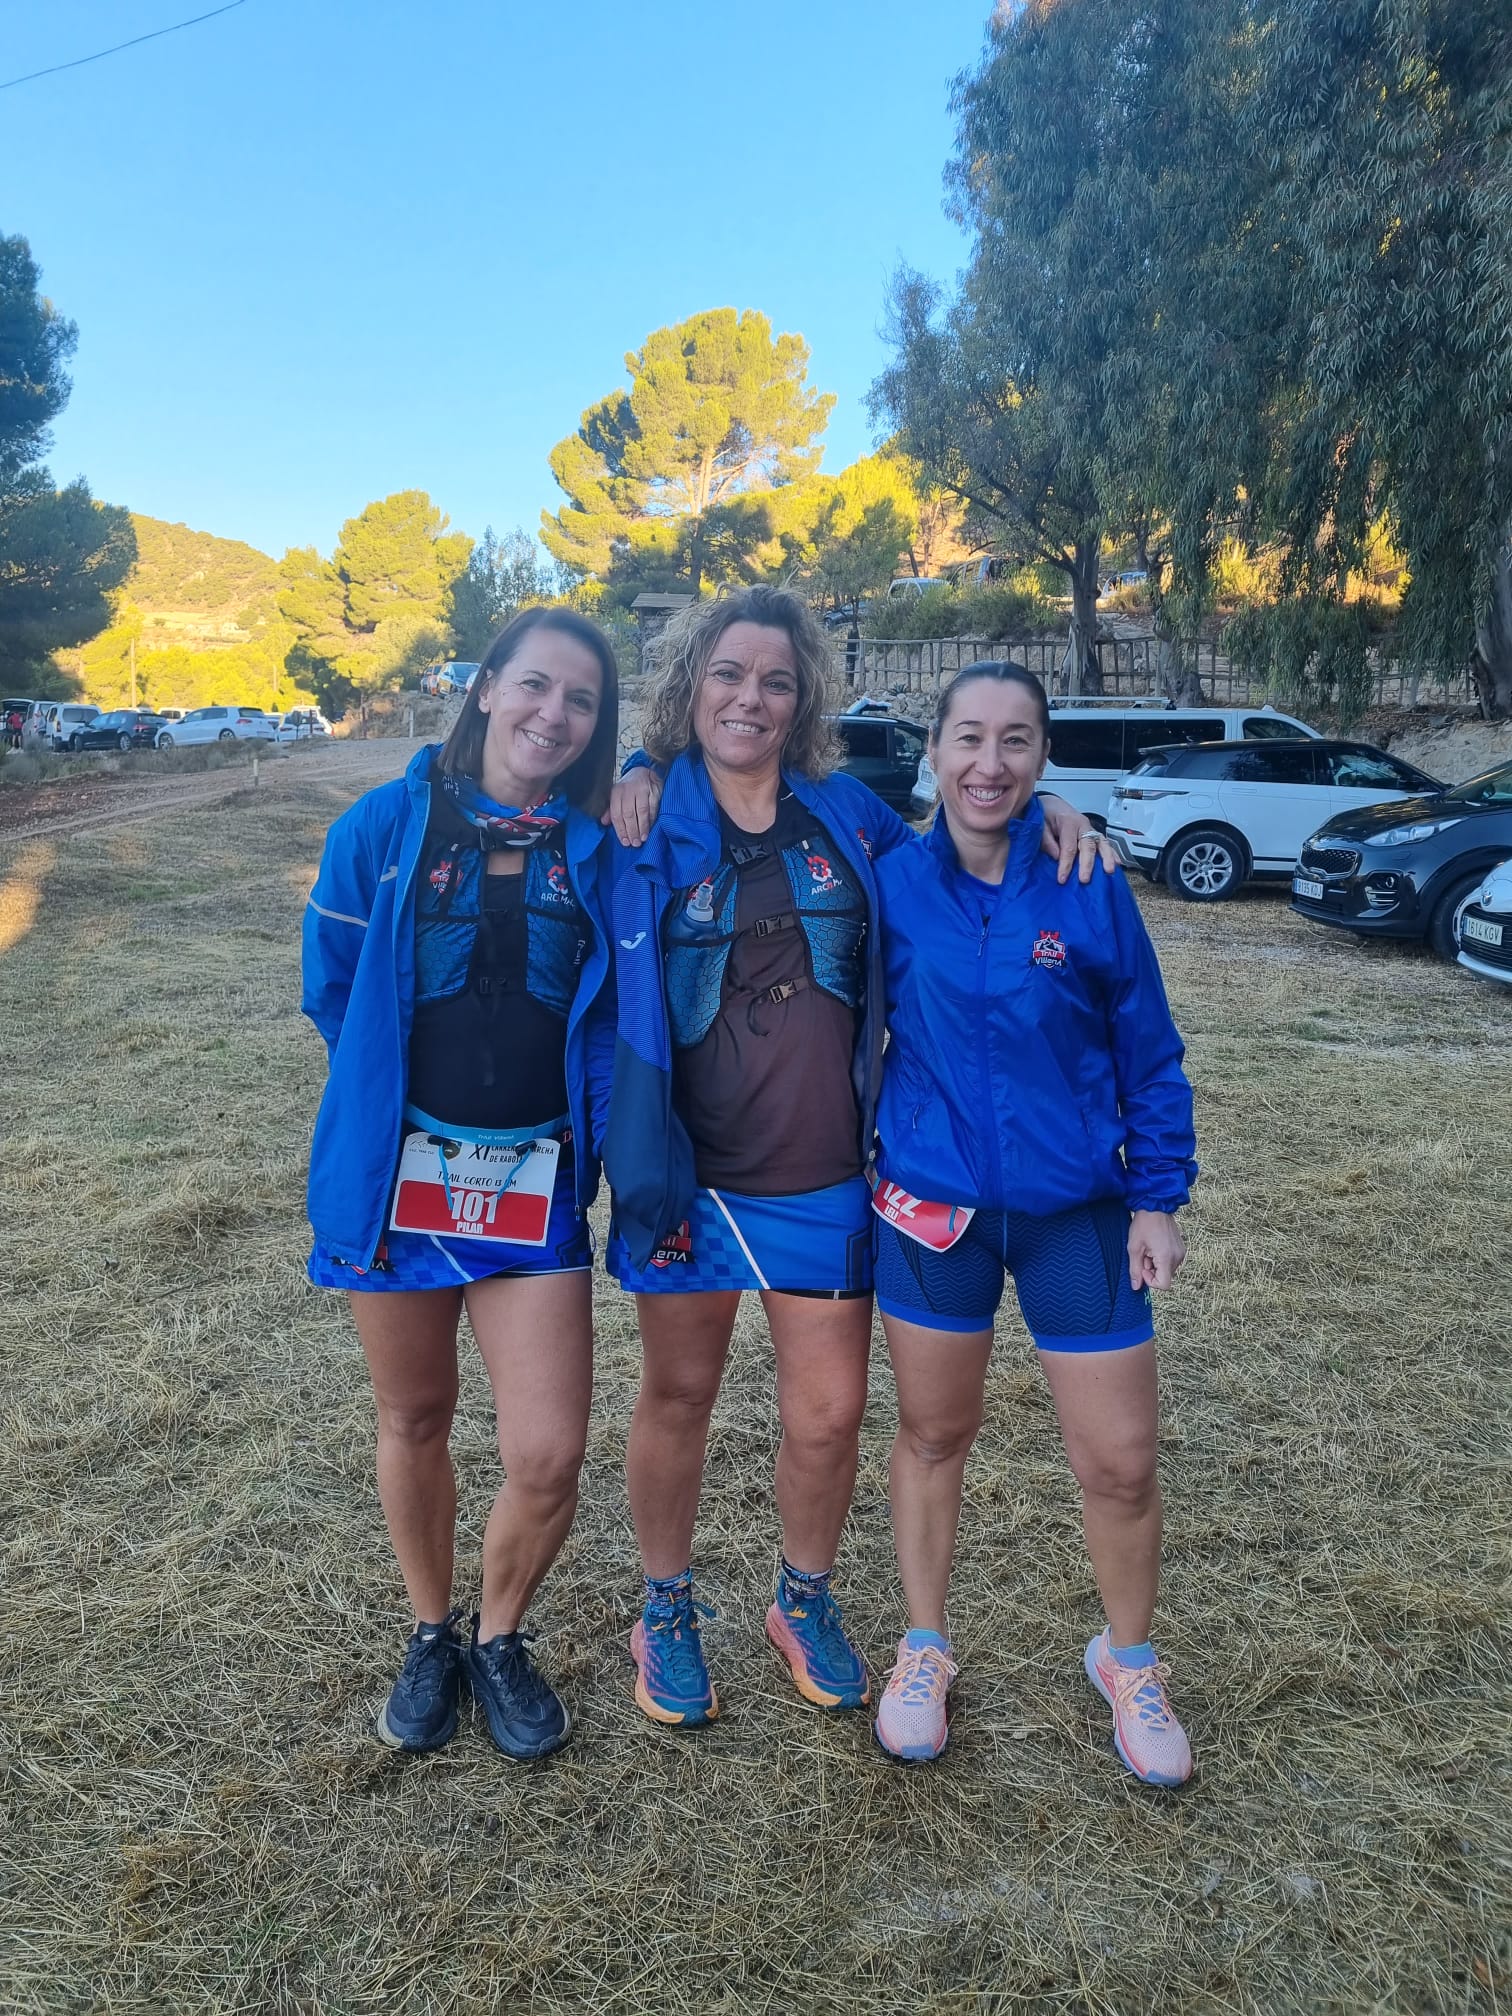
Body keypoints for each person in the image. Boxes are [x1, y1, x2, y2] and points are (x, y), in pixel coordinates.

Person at [602, 589, 1112, 1731]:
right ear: (690, 684)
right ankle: (665, 1607)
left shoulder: (845, 814)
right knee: (678, 1395)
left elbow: (959, 843)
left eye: (777, 681)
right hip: (686, 1178)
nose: (752, 698)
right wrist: (637, 760)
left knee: (829, 1416)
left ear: (805, 700)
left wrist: (1049, 805)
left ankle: (803, 1598)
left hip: (825, 1171)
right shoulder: (643, 815)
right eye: (729, 674)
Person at [866, 660, 1198, 1784]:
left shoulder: (1085, 879)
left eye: (1017, 741)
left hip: (1077, 1217)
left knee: (1122, 1463)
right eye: (967, 736)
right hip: (934, 1217)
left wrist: (1157, 1196)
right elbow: (754, 775)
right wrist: (638, 763)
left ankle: (1129, 1661)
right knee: (932, 1438)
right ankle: (924, 1646)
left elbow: (1150, 1051)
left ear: (1044, 757)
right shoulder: (889, 882)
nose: (990, 762)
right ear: (933, 752)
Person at [301, 609, 619, 1762]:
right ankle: (432, 1631)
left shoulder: (597, 846)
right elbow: (334, 987)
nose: (553, 713)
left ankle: (500, 1636)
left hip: (536, 1188)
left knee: (547, 1453)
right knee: (415, 1416)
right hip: (399, 1187)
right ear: (486, 687)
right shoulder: (381, 827)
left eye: (580, 700)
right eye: (534, 684)